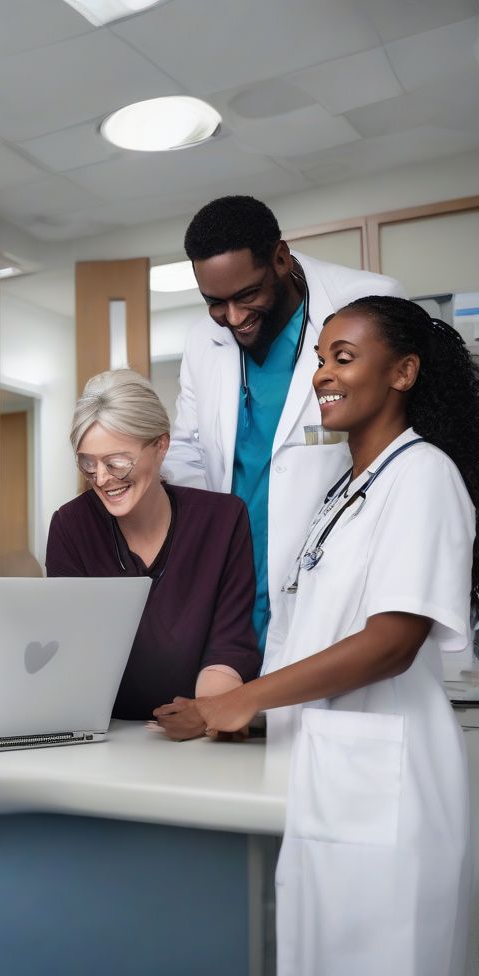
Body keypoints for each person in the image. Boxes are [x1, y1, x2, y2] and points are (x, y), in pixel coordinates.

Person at [183, 296, 477, 976]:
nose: (321, 375)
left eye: (342, 358)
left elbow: (391, 639)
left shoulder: (423, 475)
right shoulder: (346, 486)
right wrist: (253, 711)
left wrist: (246, 698)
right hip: (337, 779)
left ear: (404, 371)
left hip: (391, 789)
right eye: (319, 359)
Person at [163, 195, 402, 651]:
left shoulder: (368, 305)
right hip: (236, 581)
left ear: (279, 258)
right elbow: (188, 449)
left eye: (247, 295)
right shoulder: (201, 341)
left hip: (334, 580)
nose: (232, 317)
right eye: (214, 302)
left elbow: (398, 451)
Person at [45, 369, 260, 740]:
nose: (102, 478)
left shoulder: (223, 520)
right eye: (87, 463)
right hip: (103, 732)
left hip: (197, 730)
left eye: (117, 462)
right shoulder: (70, 526)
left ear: (161, 445)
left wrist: (205, 713)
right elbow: (73, 652)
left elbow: (230, 643)